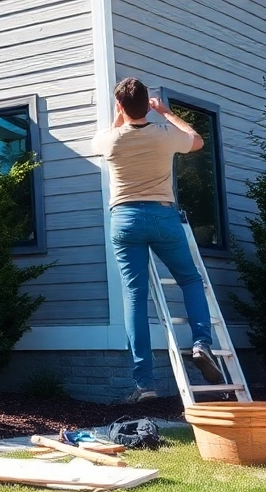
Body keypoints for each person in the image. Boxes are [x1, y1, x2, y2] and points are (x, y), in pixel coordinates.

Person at [91, 77, 225, 403]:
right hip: (163, 216)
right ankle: (200, 343)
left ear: (120, 107)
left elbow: (111, 132)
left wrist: (119, 114)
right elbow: (196, 140)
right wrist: (166, 112)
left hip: (124, 219)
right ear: (147, 105)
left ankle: (145, 384)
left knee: (135, 298)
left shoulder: (109, 141)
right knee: (190, 280)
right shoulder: (165, 135)